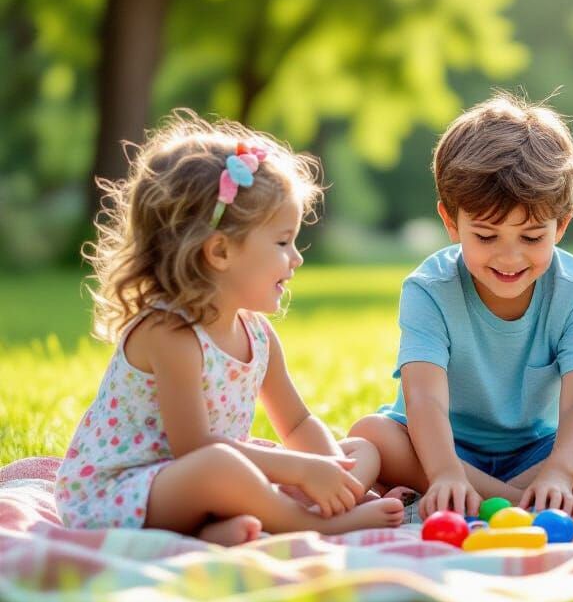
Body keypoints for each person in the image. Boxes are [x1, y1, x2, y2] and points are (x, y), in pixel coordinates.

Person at [55, 111, 404, 545]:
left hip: (205, 482)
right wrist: (300, 471)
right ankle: (315, 524)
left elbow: (296, 423)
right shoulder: (170, 333)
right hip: (125, 495)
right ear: (219, 251)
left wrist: (339, 476)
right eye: (282, 242)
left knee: (358, 452)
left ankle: (223, 529)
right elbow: (196, 448)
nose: (296, 258)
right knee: (222, 468)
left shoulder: (257, 335)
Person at [350, 93, 573, 520]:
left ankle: (510, 497)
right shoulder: (429, 289)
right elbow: (424, 397)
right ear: (451, 222)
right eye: (485, 237)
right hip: (441, 450)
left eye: (532, 237)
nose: (509, 257)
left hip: (540, 452)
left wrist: (559, 472)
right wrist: (445, 470)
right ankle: (529, 503)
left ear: (562, 224)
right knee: (371, 435)